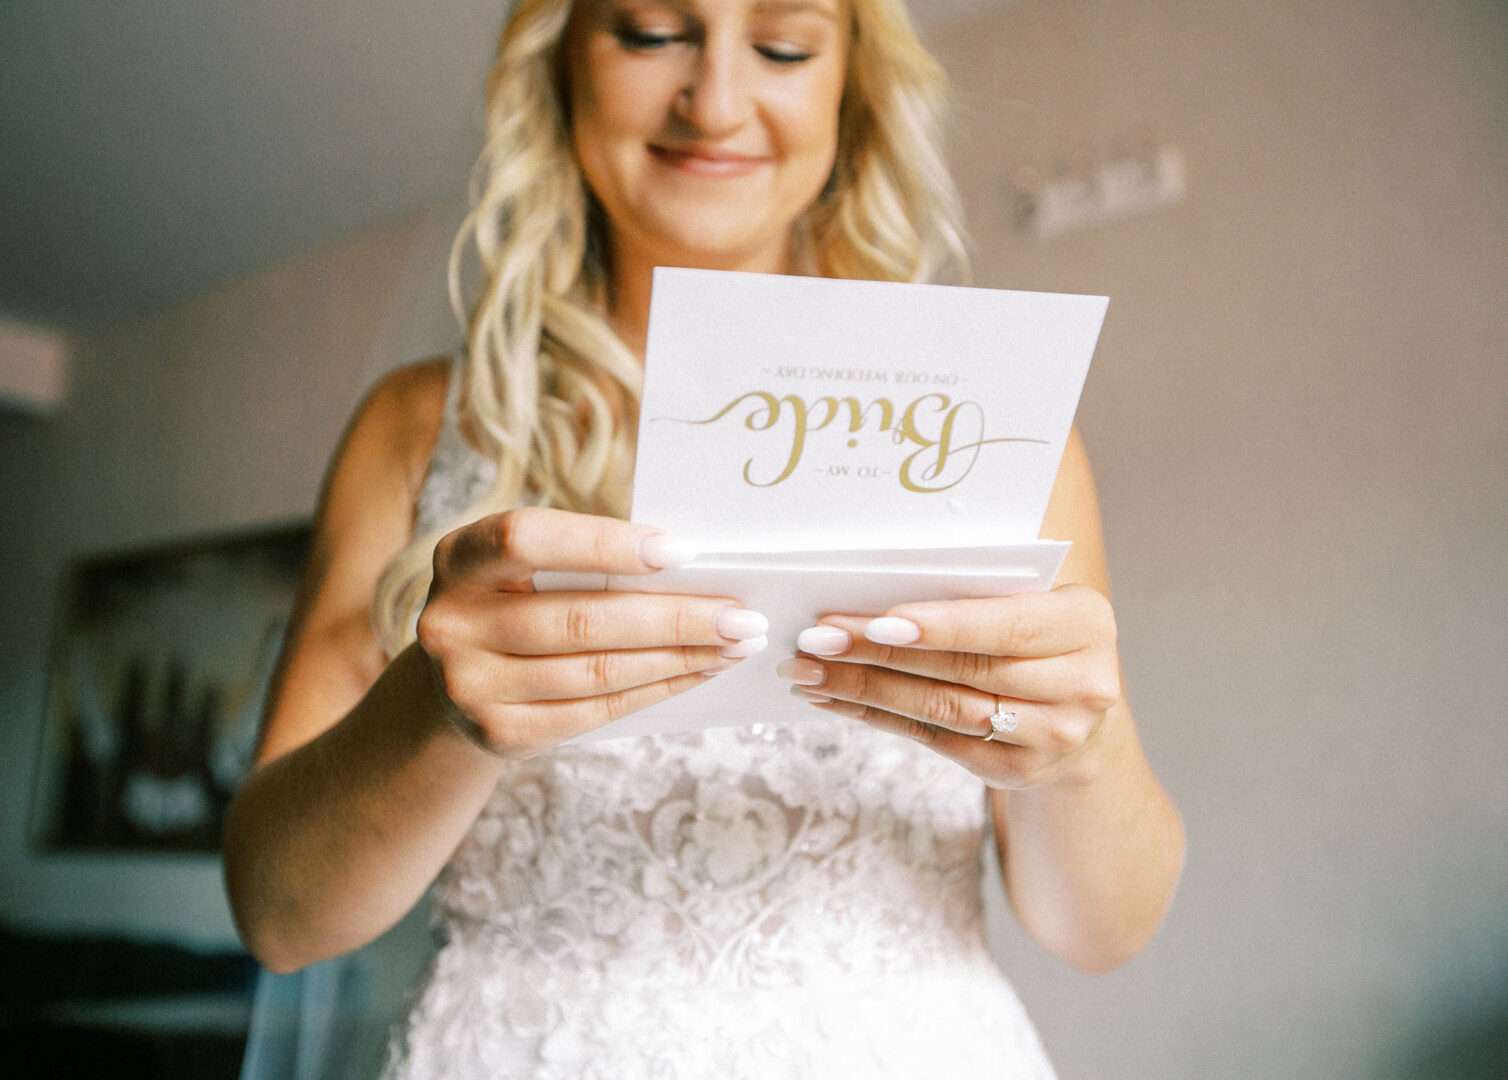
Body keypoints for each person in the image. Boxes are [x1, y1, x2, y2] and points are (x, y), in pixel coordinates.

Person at [223, 0, 1186, 1076]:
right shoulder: (418, 430)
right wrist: (435, 713)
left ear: (849, 88)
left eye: (783, 45)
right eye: (648, 31)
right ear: (559, 66)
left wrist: (1083, 759)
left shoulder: (992, 438)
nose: (716, 102)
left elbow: (1102, 934)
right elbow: (279, 918)